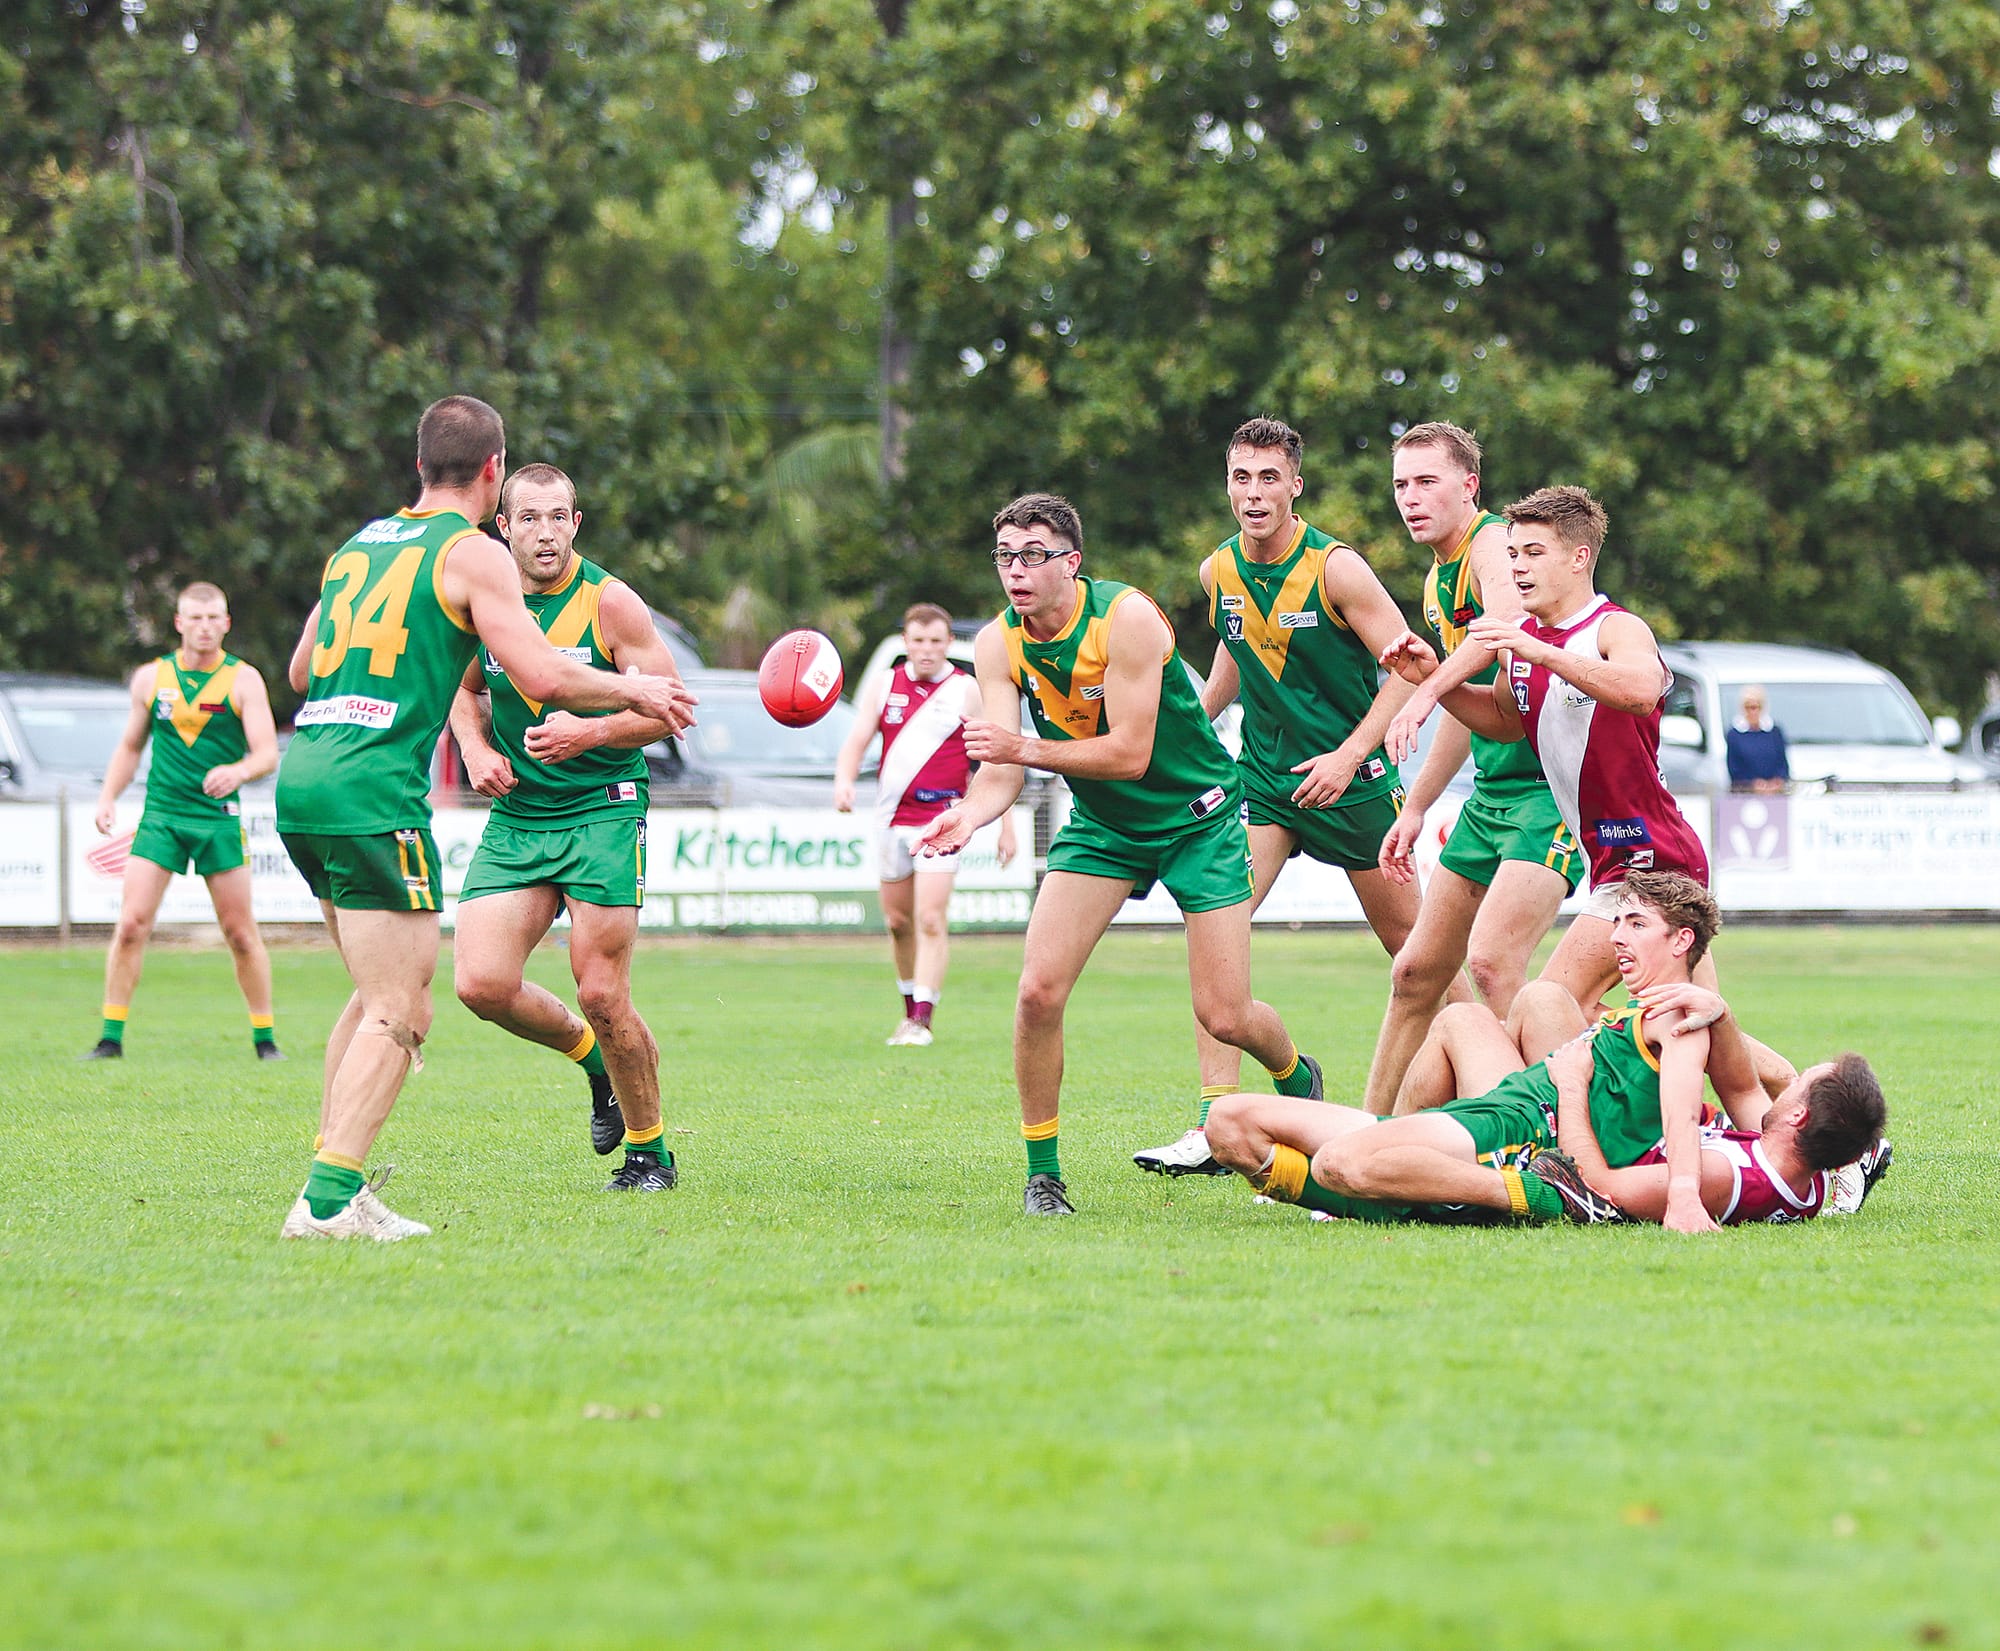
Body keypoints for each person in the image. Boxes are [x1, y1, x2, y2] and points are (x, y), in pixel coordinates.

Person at [274, 395, 695, 1241]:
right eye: (524, 512)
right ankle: (328, 1198)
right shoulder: (470, 556)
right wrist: (630, 688)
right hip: (378, 792)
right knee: (405, 1008)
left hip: (307, 780)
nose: (539, 529)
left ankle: (336, 1178)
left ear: (418, 465)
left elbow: (299, 669)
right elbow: (538, 673)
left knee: (375, 997)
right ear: (494, 479)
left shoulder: (357, 546)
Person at [916, 493, 1324, 1216]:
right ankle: (1043, 1175)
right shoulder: (995, 643)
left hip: (1198, 818)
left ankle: (1296, 1078)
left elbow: (1131, 753)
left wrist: (1024, 749)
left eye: (1035, 554)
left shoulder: (1125, 617)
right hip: (1104, 826)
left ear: (1072, 562)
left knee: (1225, 1014)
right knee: (1037, 991)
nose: (1017, 569)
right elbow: (1003, 769)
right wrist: (971, 814)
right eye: (1006, 555)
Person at [1132, 417, 1443, 1178]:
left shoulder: (1338, 568)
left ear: (1295, 484)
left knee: (1424, 960)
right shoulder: (1218, 572)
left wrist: (1348, 753)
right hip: (1265, 787)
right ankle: (1214, 1121)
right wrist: (1191, 726)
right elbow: (1238, 657)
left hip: (1355, 787)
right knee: (1216, 934)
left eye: (1269, 477)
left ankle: (1499, 1089)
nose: (1254, 492)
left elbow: (1409, 668)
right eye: (1242, 477)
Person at [1204, 873, 1757, 1233]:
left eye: (1636, 925)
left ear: (1681, 941)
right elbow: (1750, 1086)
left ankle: (1541, 1196)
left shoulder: (1680, 1017)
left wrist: (1686, 1195)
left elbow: (1691, 1109)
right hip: (1501, 1106)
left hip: (1523, 1132)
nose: (1616, 938)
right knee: (1228, 1125)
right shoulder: (1643, 1010)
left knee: (1341, 1163)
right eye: (1617, 922)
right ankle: (1407, 1176)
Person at [1379, 485, 1710, 1017]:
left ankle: (1560, 1102)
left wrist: (1543, 653)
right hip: (1611, 857)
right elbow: (1505, 723)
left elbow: (1643, 688)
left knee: (1546, 1001)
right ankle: (1795, 1093)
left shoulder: (1614, 627)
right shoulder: (1524, 640)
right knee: (1691, 1016)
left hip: (1651, 862)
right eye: (1512, 554)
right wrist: (1428, 678)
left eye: (1534, 554)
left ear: (1580, 558)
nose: (1518, 568)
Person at [447, 463, 685, 1191]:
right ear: (503, 526)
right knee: (480, 984)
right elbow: (460, 687)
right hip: (519, 814)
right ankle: (594, 1065)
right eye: (530, 518)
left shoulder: (612, 604)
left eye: (559, 517)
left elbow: (669, 705)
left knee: (602, 990)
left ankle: (650, 1153)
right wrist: (476, 746)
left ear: (576, 524)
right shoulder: (486, 601)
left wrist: (586, 734)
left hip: (603, 806)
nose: (545, 532)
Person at [1357, 423, 1582, 1115]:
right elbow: (1476, 705)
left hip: (1553, 795)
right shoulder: (1437, 578)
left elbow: (1502, 625)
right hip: (1493, 796)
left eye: (1427, 481)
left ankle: (1559, 1130)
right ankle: (1368, 1143)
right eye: (1401, 483)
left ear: (1469, 486)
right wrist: (1418, 805)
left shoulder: (1491, 546)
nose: (1411, 497)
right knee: (1418, 972)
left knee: (1491, 963)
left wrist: (1423, 691)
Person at [84, 582, 283, 1061]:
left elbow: (266, 754)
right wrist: (107, 797)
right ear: (178, 623)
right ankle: (110, 1038)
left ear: (227, 623)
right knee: (131, 924)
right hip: (163, 817)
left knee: (239, 932)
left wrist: (236, 771)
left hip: (217, 819)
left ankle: (265, 1039)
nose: (205, 627)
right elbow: (131, 746)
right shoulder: (152, 678)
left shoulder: (243, 679)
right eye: (195, 618)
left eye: (214, 618)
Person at [833, 602, 1017, 1047]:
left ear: (949, 644)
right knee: (898, 922)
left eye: (936, 641)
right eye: (918, 641)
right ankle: (908, 1009)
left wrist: (1004, 823)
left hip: (942, 821)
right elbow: (856, 740)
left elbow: (993, 759)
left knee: (930, 917)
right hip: (890, 818)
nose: (927, 650)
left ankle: (922, 1017)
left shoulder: (966, 690)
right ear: (907, 644)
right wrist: (844, 782)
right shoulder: (884, 686)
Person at [1536, 1034, 1885, 1225]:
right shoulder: (1808, 1180)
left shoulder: (1723, 1176)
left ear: (1798, 1116)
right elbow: (1742, 1088)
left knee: (1537, 1004)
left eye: (1799, 1082)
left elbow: (1598, 1184)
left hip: (1568, 1128)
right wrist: (1713, 1010)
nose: (1789, 1083)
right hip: (1626, 1122)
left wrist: (1571, 1086)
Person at [1725, 685, 1789, 793]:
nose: (1752, 712)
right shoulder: (1735, 734)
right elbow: (1734, 767)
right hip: (1745, 793)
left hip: (1774, 793)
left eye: (1755, 707)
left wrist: (1777, 781)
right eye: (1748, 707)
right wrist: (1753, 784)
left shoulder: (1774, 732)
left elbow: (1782, 763)